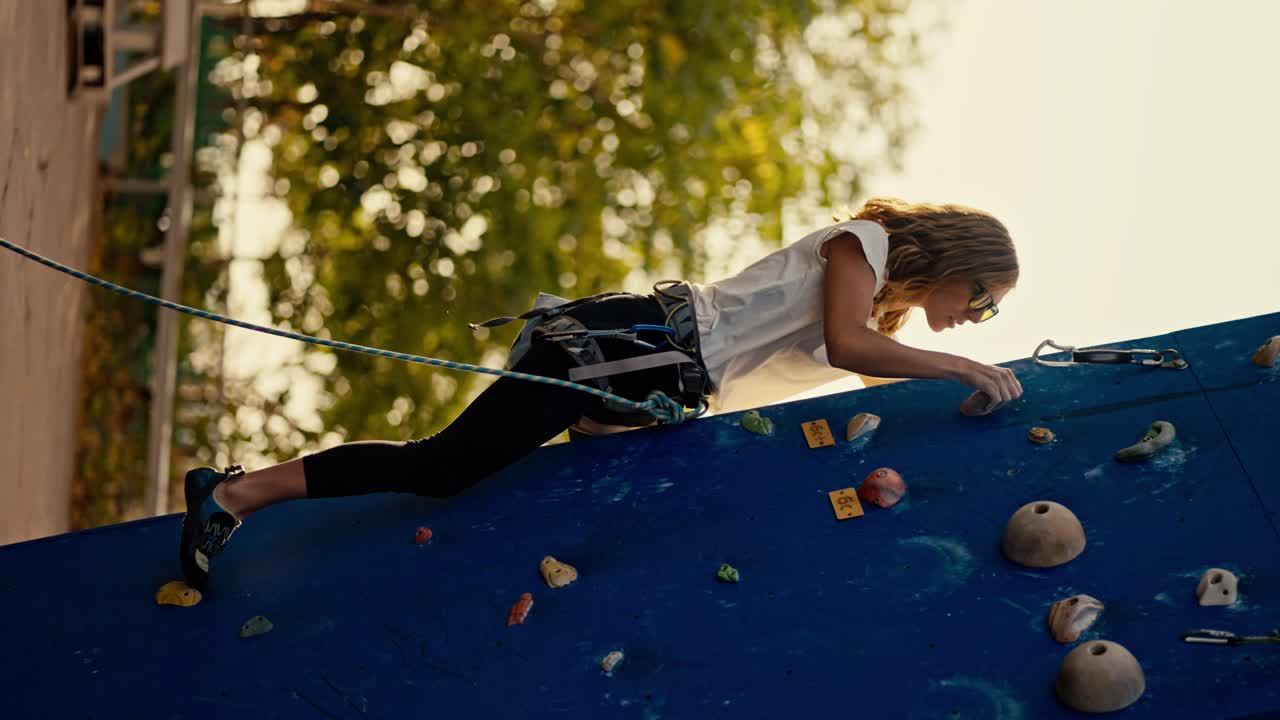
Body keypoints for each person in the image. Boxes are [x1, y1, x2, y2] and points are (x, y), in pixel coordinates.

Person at [179, 197, 1022, 589]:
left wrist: (978, 392)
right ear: (961, 265)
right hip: (628, 349)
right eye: (984, 304)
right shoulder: (862, 247)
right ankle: (235, 492)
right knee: (444, 467)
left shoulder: (880, 315)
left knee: (589, 506)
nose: (974, 323)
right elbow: (850, 344)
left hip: (652, 393)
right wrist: (963, 373)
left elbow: (870, 365)